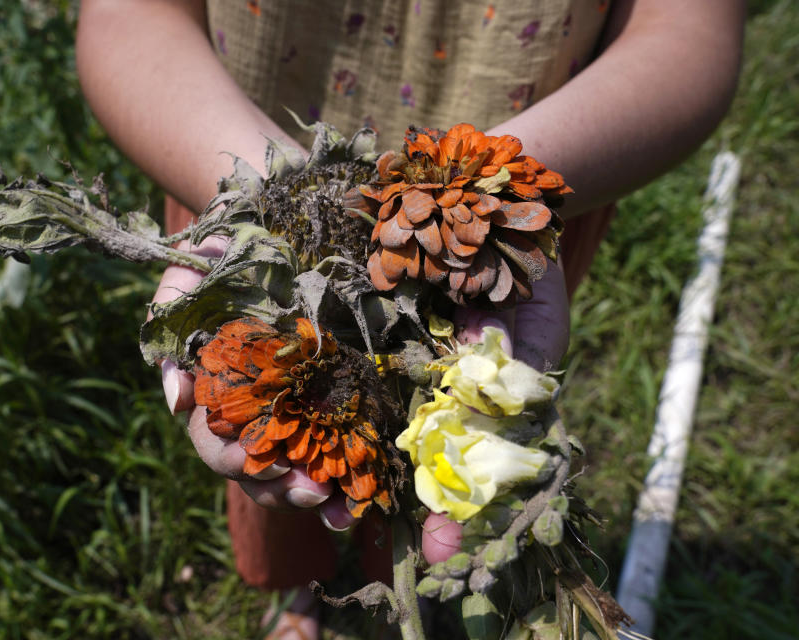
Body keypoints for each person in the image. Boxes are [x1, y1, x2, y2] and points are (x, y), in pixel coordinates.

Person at [75, 1, 744, 637]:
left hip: (533, 171)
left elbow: (686, 31)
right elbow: (129, 16)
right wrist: (272, 198)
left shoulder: (486, 221)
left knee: (418, 476)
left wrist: (487, 196)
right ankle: (291, 587)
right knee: (278, 470)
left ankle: (388, 579)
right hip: (221, 132)